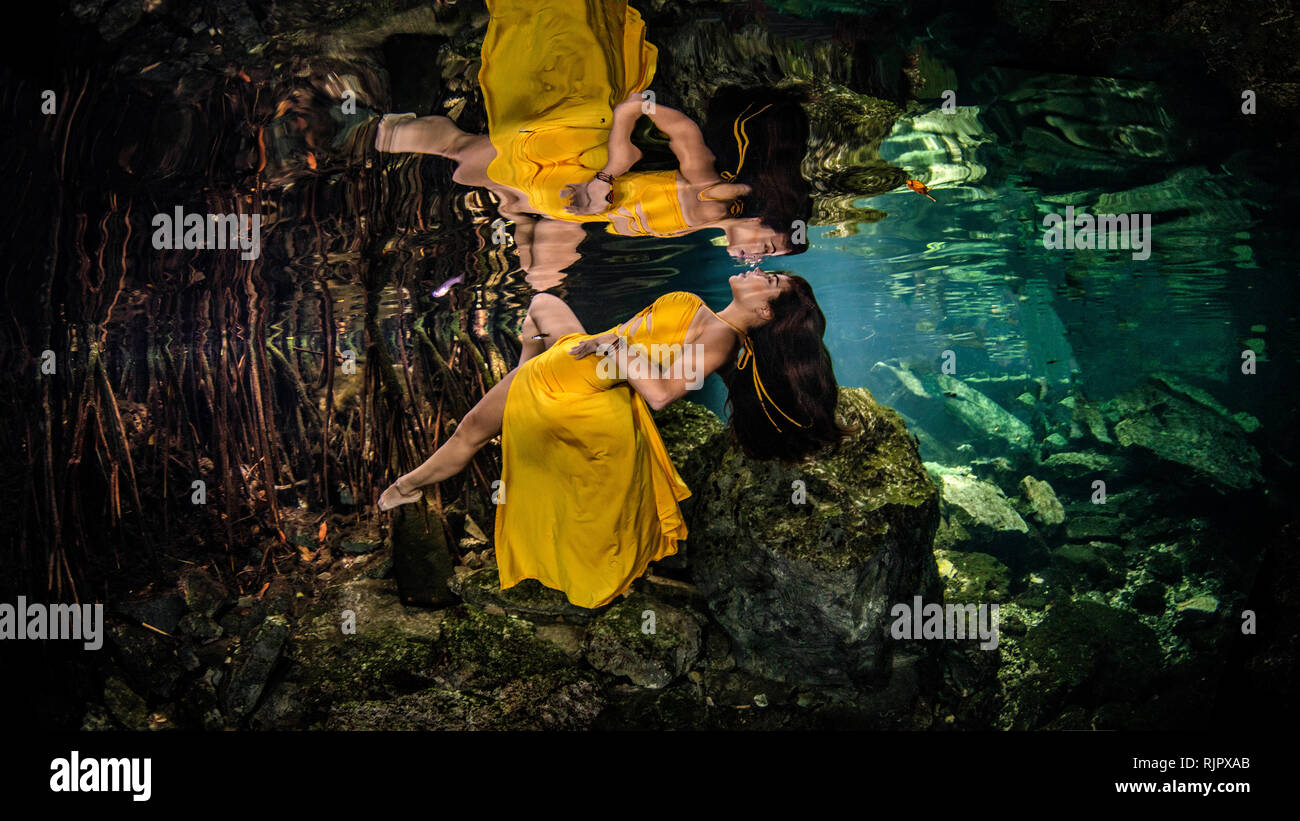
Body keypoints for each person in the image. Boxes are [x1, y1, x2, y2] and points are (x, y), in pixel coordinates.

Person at [377, 269, 847, 608]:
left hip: (578, 382)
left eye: (770, 282)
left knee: (470, 432)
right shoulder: (711, 318)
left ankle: (406, 487)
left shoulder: (721, 337)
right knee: (541, 304)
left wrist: (614, 347)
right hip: (581, 357)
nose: (760, 271)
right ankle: (524, 376)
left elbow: (661, 395)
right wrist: (609, 342)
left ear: (764, 310)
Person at [372, 0, 813, 286]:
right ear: (771, 214)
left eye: (766, 255)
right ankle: (367, 131)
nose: (756, 256)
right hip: (573, 158)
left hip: (562, 191)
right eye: (768, 245)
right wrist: (622, 136)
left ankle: (375, 130)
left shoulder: (705, 224)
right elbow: (683, 132)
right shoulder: (717, 199)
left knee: (475, 170)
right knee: (467, 155)